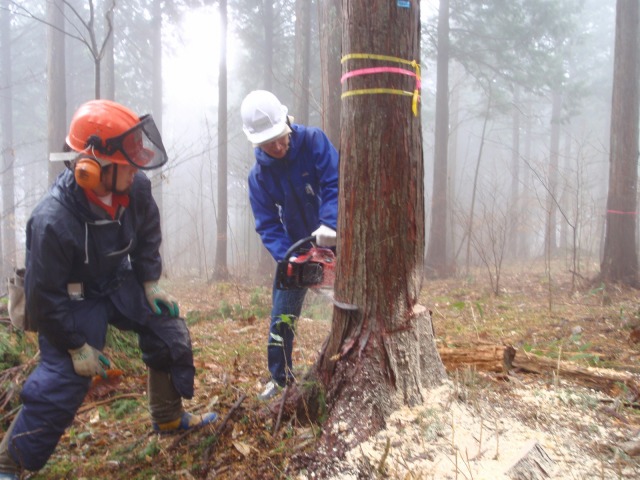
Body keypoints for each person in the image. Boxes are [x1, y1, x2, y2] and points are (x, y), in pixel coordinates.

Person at [0, 99, 217, 479]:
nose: (135, 170)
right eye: (127, 164)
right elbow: (42, 296)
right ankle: (9, 463)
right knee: (64, 378)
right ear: (90, 167)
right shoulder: (51, 220)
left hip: (117, 279)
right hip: (71, 298)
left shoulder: (135, 188)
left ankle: (167, 417)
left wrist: (150, 282)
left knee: (167, 329)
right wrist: (74, 344)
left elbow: (148, 233)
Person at [240, 90, 339, 401]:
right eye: (270, 143)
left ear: (287, 123)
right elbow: (267, 224)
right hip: (297, 246)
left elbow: (336, 181)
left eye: (281, 137)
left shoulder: (313, 141)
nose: (279, 146)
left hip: (337, 237)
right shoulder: (259, 178)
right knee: (282, 312)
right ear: (257, 144)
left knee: (355, 301)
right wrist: (292, 256)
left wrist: (331, 223)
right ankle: (280, 377)